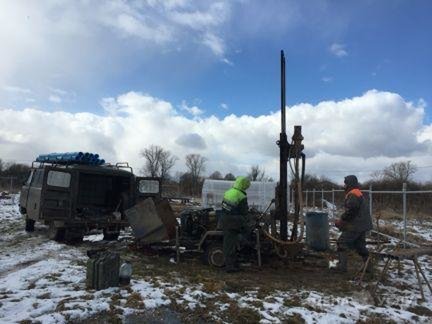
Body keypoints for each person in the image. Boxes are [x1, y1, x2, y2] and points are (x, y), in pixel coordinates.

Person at [334, 175, 373, 273]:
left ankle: (341, 268)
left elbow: (352, 210)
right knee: (359, 245)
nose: (344, 186)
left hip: (357, 225)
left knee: (341, 243)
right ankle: (368, 266)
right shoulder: (357, 192)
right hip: (363, 224)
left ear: (349, 184)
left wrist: (342, 220)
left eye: (345, 183)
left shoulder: (352, 194)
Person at [220, 176, 251, 273]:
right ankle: (230, 267)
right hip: (233, 222)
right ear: (244, 185)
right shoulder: (241, 195)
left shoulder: (228, 191)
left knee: (228, 244)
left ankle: (230, 263)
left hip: (224, 220)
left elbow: (224, 207)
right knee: (234, 243)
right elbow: (244, 212)